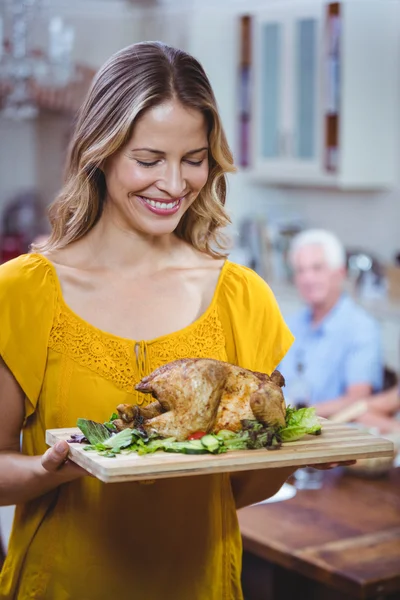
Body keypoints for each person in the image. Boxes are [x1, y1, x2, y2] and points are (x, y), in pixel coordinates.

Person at [0, 43, 348, 600]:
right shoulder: (20, 292)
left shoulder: (243, 296)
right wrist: (53, 470)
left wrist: (295, 456)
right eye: (148, 159)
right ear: (101, 151)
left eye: (194, 158)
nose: (174, 183)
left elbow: (233, 487)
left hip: (200, 585)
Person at [279, 229, 383, 418]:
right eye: (301, 270)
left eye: (317, 268)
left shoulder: (362, 328)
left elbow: (357, 401)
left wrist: (294, 414)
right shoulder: (289, 324)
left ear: (340, 273)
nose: (307, 278)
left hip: (333, 433)